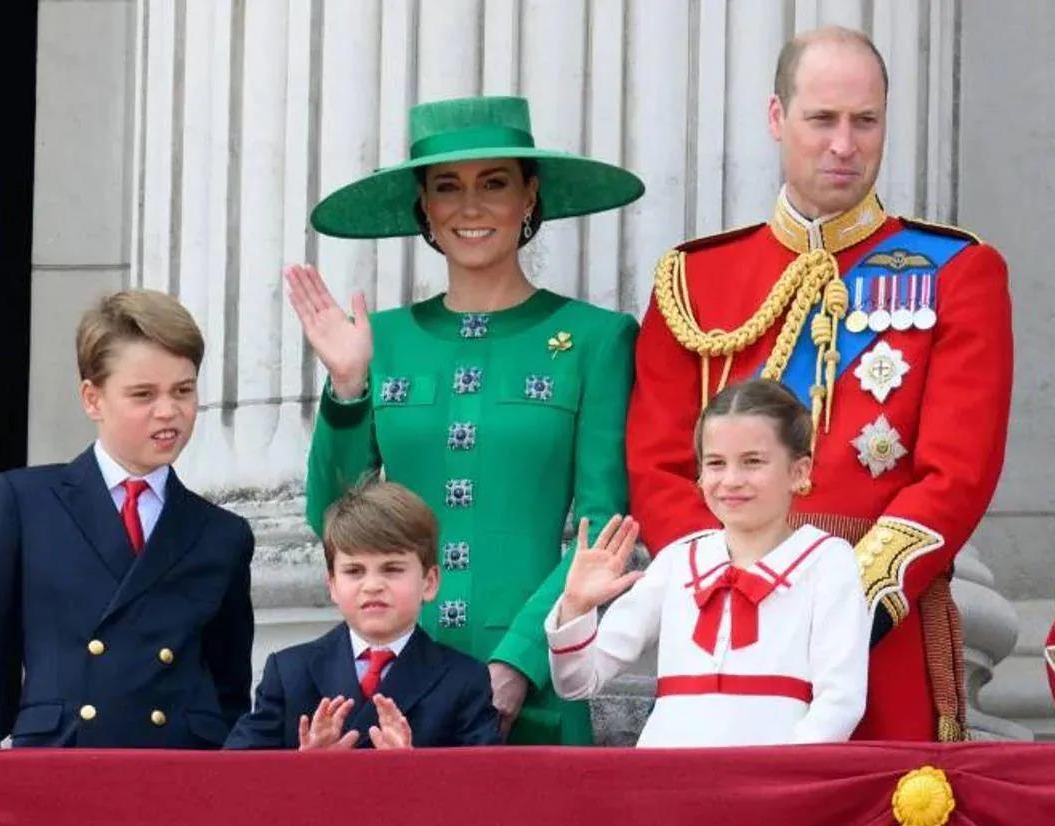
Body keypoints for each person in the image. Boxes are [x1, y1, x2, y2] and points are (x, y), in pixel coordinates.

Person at [626, 26, 1012, 741]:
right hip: (726, 637)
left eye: (865, 121)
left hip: (876, 633)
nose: (844, 144)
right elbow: (658, 466)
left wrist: (829, 600)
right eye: (822, 120)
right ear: (777, 118)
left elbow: (956, 475)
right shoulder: (694, 280)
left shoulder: (958, 271)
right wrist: (732, 590)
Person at [290, 95, 645, 744]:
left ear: (530, 197)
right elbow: (333, 518)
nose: (471, 207)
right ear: (424, 206)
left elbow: (603, 527)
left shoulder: (596, 339)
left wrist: (517, 663)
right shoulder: (381, 338)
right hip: (396, 679)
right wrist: (346, 388)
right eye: (447, 187)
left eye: (495, 184)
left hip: (533, 685)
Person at [0, 290, 255, 749]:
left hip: (177, 774)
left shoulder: (222, 534)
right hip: (60, 764)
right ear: (93, 398)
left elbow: (229, 691)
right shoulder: (24, 502)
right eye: (143, 395)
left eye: (183, 390)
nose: (168, 411)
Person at [549, 380, 869, 747]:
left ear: (799, 471)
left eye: (753, 462)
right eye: (716, 463)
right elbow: (577, 682)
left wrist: (780, 781)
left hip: (770, 783)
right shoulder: (678, 560)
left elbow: (840, 702)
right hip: (665, 780)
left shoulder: (827, 560)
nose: (731, 480)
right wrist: (576, 607)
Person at [224, 481, 500, 749]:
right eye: (354, 571)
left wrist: (414, 771)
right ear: (332, 584)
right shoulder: (289, 673)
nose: (372, 586)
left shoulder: (464, 680)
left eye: (392, 569)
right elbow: (234, 777)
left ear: (429, 582)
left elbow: (486, 786)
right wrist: (304, 768)